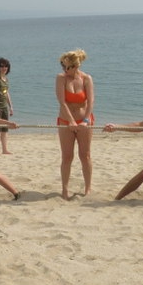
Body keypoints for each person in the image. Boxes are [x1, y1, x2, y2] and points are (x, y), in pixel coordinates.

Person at [56, 49, 95, 199]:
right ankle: (65, 189)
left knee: (85, 155)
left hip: (84, 121)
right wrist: (71, 120)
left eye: (68, 67)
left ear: (76, 66)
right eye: (63, 66)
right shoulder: (61, 78)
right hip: (65, 121)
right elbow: (62, 101)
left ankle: (88, 188)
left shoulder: (86, 78)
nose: (65, 69)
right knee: (67, 156)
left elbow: (90, 101)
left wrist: (85, 120)